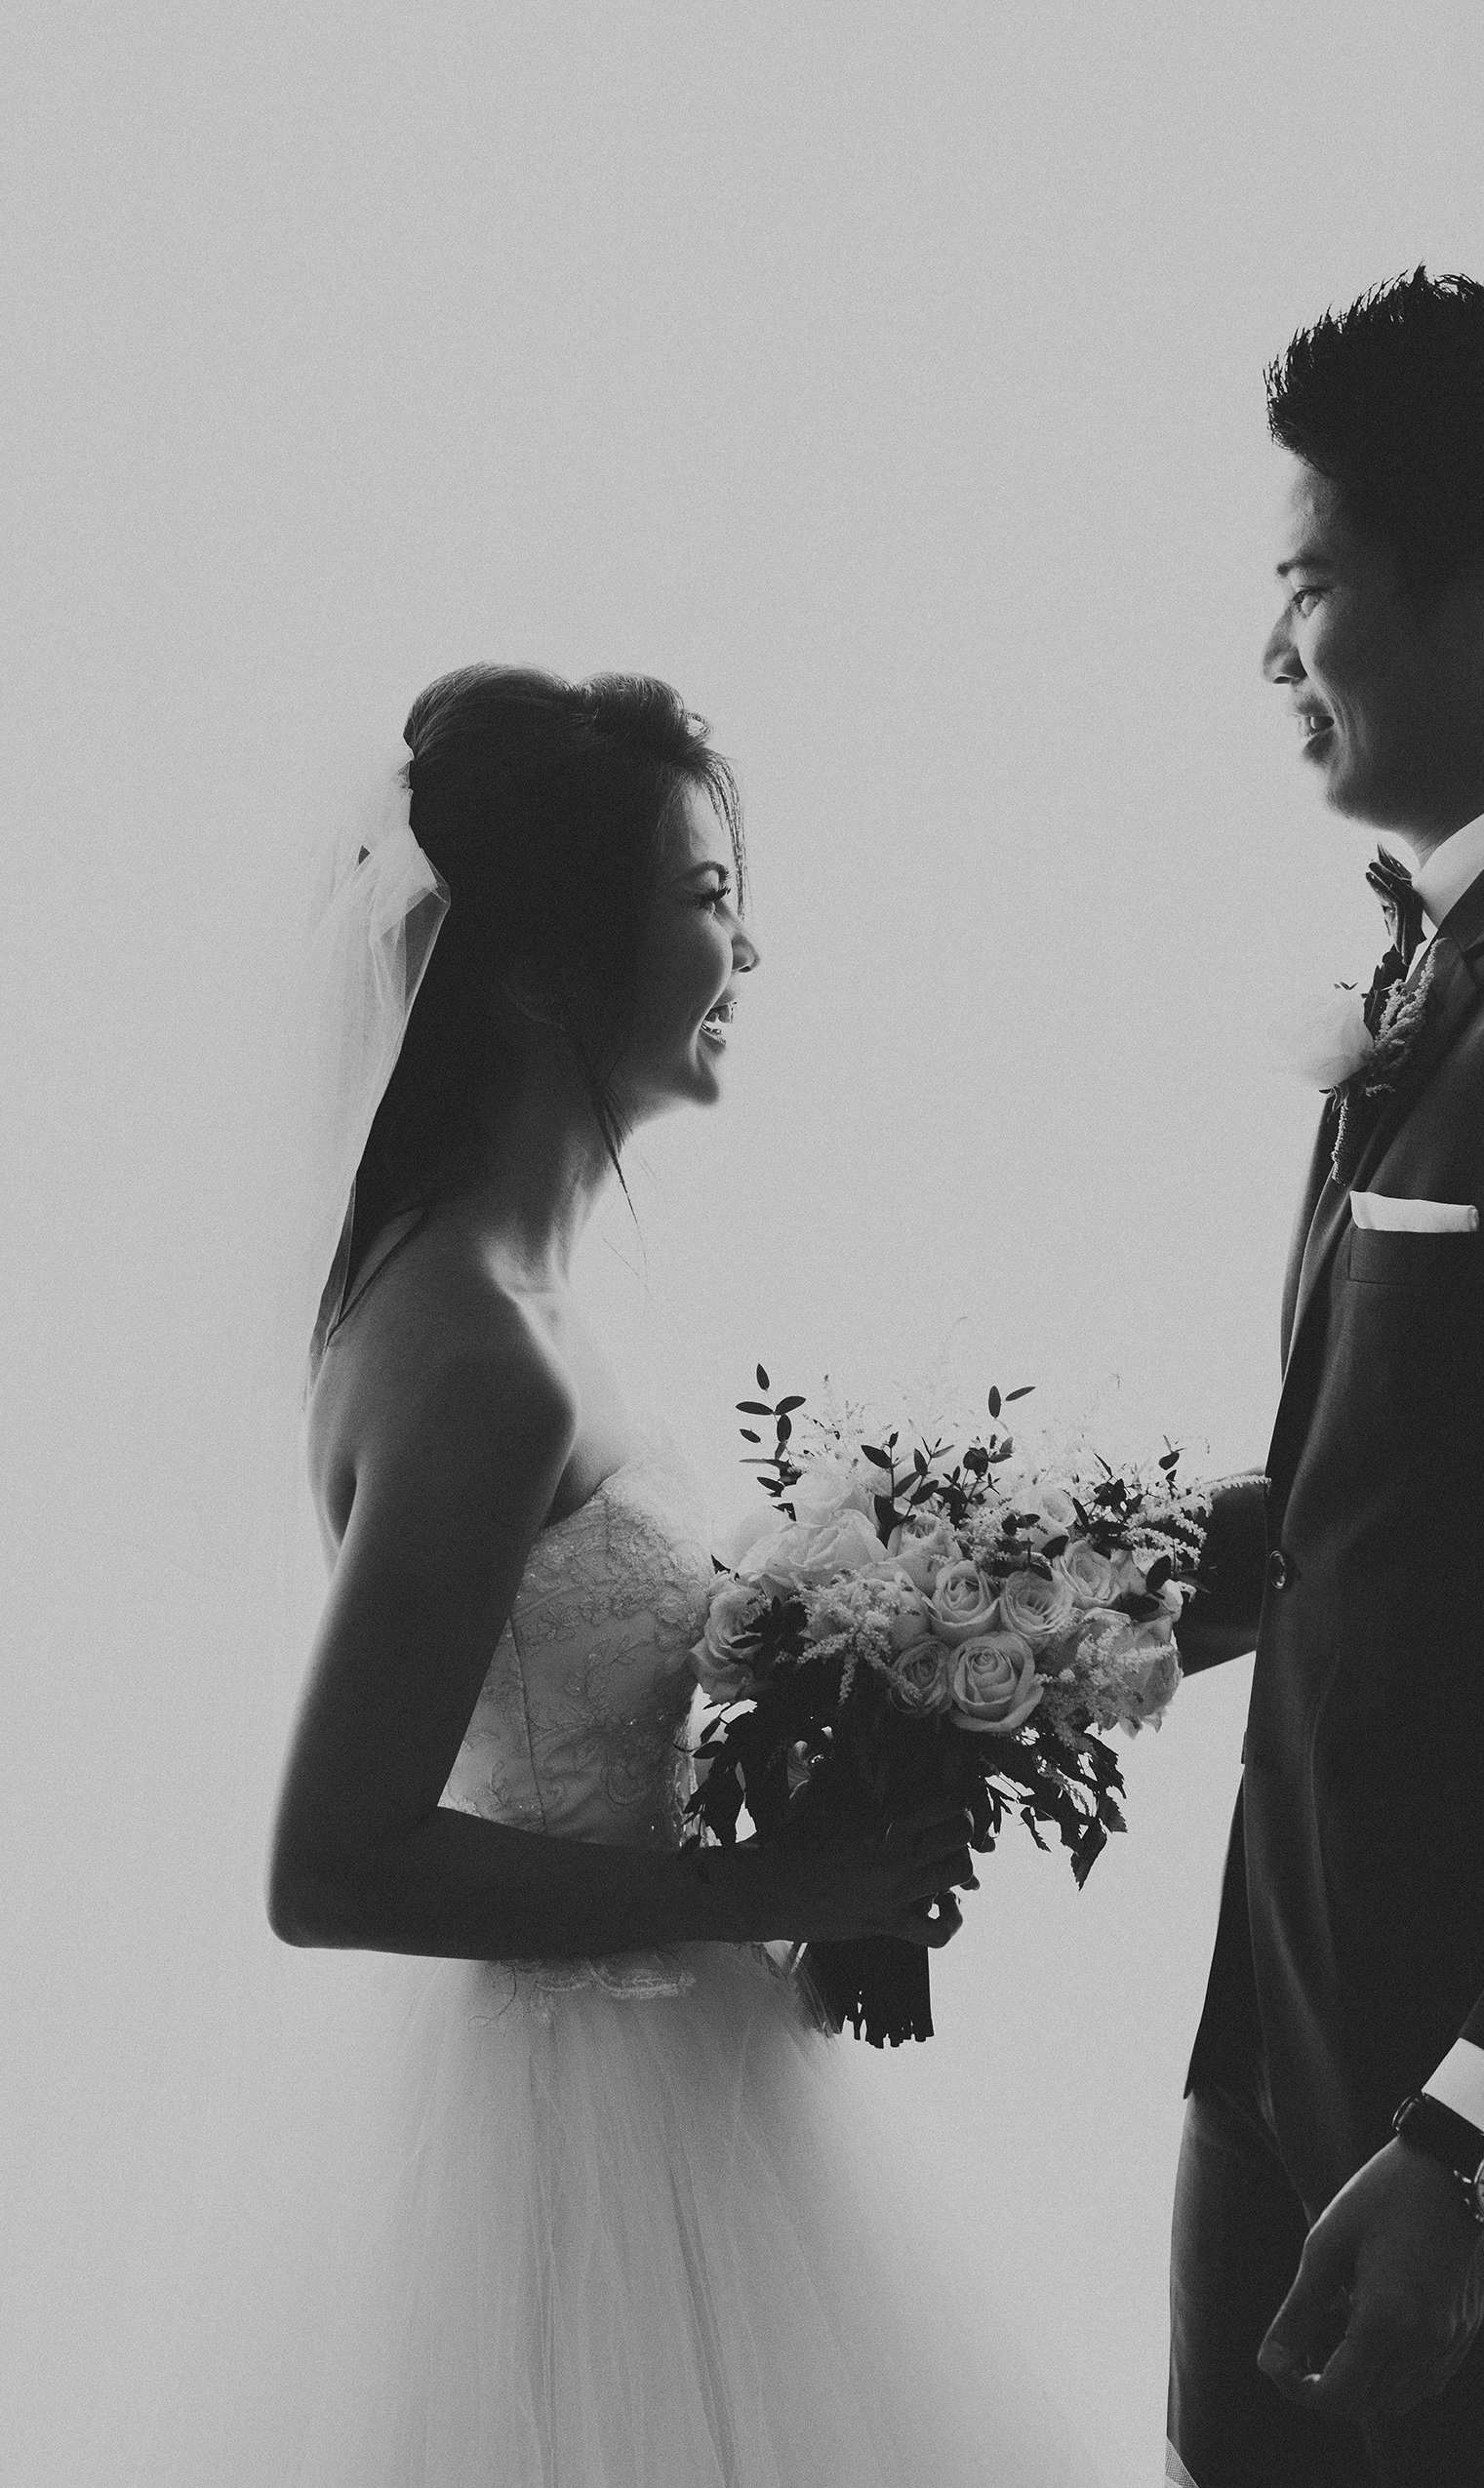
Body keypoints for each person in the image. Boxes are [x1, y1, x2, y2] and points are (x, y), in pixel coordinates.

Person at [119, 664, 1109, 2486]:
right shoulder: (478, 1356)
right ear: (534, 970)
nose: (751, 950)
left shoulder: (508, 1300)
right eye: (710, 899)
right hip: (573, 2130)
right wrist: (767, 1882)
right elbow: (331, 1864)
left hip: (658, 2063)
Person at [1167, 272, 1484, 2486]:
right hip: (1285, 2060)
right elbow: (1409, 1502)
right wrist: (985, 1613)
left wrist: (1480, 2142)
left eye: (1306, 585)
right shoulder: (1468, 950)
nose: (1270, 652)